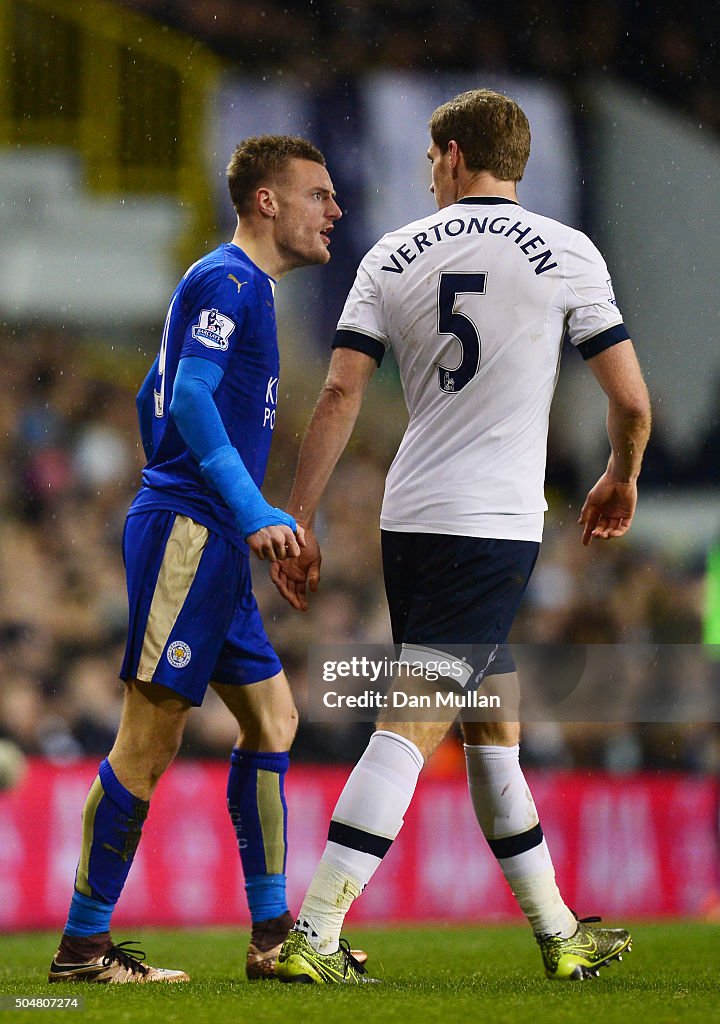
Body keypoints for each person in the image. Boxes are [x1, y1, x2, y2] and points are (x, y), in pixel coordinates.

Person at [270, 89, 651, 984]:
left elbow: (338, 394)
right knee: (415, 720)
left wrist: (302, 515)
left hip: (411, 517)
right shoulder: (566, 253)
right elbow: (630, 400)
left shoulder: (391, 251)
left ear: (448, 153)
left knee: (492, 723)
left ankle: (558, 933)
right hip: (493, 526)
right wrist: (621, 473)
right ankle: (315, 932)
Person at [48, 135, 343, 984]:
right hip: (193, 537)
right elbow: (187, 398)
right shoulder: (229, 280)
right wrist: (234, 505)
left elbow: (154, 394)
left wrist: (225, 502)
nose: (335, 210)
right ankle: (83, 948)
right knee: (148, 741)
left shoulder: (236, 287)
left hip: (207, 536)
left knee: (273, 722)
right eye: (318, 195)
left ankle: (272, 939)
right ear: (267, 202)